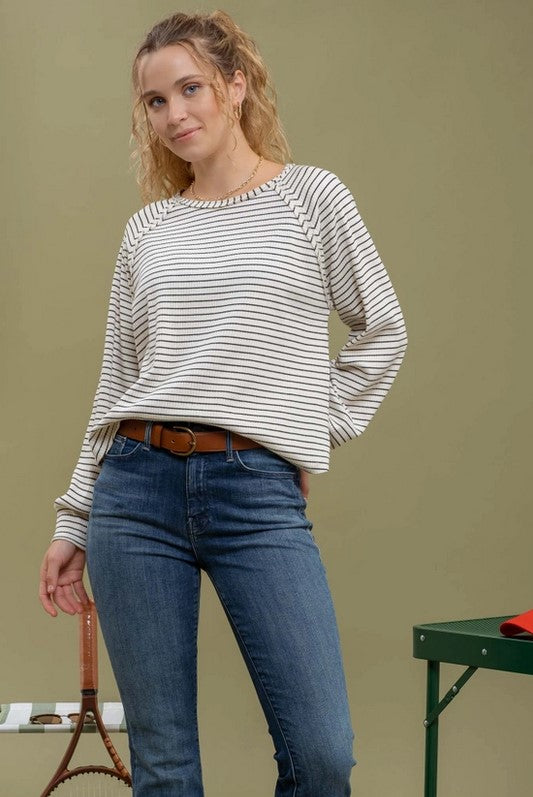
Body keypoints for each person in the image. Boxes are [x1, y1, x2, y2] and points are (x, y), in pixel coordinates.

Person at [38, 9, 408, 796]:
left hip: (255, 493)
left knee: (321, 752)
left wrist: (309, 429)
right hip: (132, 493)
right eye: (154, 102)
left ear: (236, 86)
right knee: (164, 768)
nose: (175, 115)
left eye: (190, 88)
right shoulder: (149, 231)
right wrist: (75, 517)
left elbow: (383, 330)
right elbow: (115, 383)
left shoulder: (312, 198)